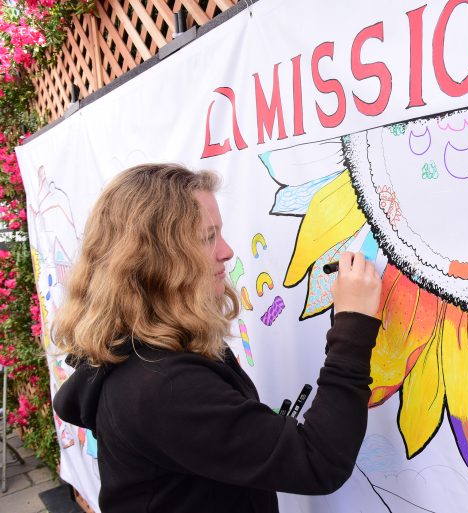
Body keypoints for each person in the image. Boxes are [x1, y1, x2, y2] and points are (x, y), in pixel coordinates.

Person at [52, 163, 382, 513]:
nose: (226, 251)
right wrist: (353, 326)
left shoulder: (151, 348)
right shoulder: (161, 385)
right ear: (156, 259)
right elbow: (317, 460)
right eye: (208, 237)